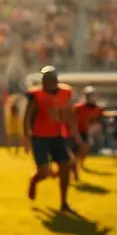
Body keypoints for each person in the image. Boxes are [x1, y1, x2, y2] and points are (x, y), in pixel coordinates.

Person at [23, 66, 83, 211]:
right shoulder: (36, 95)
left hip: (58, 135)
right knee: (43, 172)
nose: (50, 82)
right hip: (40, 137)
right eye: (47, 79)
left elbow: (70, 115)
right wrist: (26, 137)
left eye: (51, 79)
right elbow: (28, 116)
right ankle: (34, 180)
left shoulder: (65, 93)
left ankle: (64, 202)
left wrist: (77, 137)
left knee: (65, 167)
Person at [72, 86, 103, 172]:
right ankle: (74, 170)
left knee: (84, 150)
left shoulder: (98, 109)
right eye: (90, 96)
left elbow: (97, 122)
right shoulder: (78, 107)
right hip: (75, 132)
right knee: (74, 151)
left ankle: (78, 164)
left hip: (86, 132)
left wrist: (94, 132)